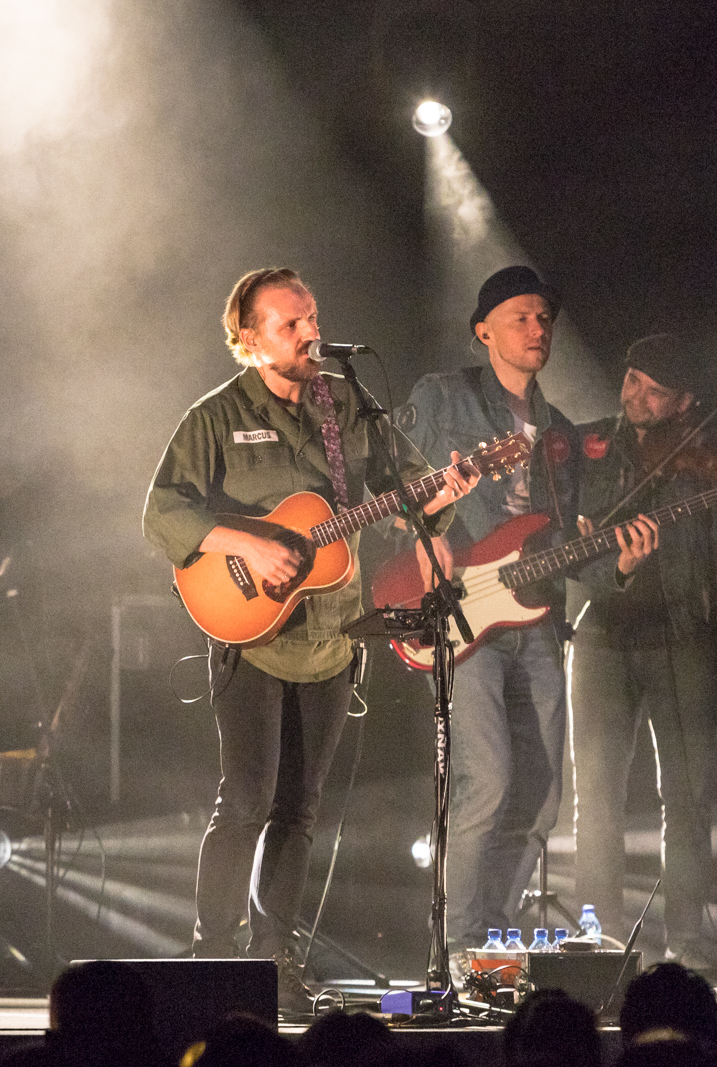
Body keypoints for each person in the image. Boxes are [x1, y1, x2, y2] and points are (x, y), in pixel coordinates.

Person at [143, 267, 477, 1011]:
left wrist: (445, 493)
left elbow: (412, 491)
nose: (309, 333)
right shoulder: (215, 416)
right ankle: (212, 960)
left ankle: (273, 961)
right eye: (290, 324)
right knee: (246, 802)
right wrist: (247, 544)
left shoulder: (347, 406)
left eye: (313, 318)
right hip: (251, 639)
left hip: (332, 643)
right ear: (249, 339)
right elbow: (161, 513)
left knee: (298, 812)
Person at [398, 266, 657, 967]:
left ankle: (490, 941)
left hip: (538, 621)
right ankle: (455, 945)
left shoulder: (561, 433)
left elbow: (566, 545)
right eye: (522, 317)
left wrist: (619, 563)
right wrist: (423, 536)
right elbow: (386, 481)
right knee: (487, 779)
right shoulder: (443, 396)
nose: (539, 329)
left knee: (541, 798)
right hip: (462, 612)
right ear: (483, 331)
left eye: (545, 319)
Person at [567, 332, 717, 963]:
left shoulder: (704, 454)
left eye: (655, 390)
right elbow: (568, 550)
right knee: (595, 801)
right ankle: (599, 940)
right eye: (631, 379)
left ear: (686, 401)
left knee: (687, 799)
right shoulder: (587, 446)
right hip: (601, 634)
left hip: (681, 634)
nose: (635, 395)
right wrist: (618, 567)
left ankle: (686, 942)